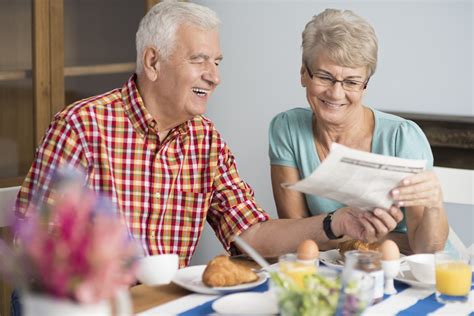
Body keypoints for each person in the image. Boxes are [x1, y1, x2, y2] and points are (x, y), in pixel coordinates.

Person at [16, 1, 403, 268]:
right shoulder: (83, 126)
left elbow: (252, 235)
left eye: (216, 62)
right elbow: (32, 248)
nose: (214, 76)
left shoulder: (206, 141)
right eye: (199, 60)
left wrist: (338, 223)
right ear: (153, 61)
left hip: (161, 303)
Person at [269, 8, 448, 254]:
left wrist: (435, 205)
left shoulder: (402, 137)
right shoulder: (287, 129)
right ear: (303, 74)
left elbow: (426, 250)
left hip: (406, 274)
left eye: (351, 82)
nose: (336, 93)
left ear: (365, 85)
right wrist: (378, 238)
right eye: (324, 77)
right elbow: (294, 237)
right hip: (334, 274)